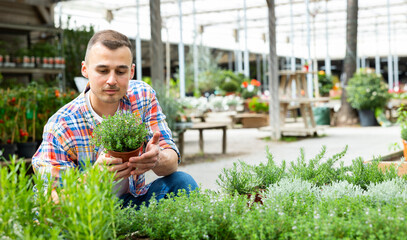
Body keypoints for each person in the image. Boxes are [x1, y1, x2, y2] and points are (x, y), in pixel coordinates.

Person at [32, 29, 198, 208]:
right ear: (85, 70)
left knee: (182, 182)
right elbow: (50, 202)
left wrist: (157, 159)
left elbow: (171, 160)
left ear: (131, 72)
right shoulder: (61, 125)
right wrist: (93, 177)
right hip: (88, 214)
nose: (112, 80)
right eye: (103, 71)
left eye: (120, 72)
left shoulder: (142, 96)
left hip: (133, 203)